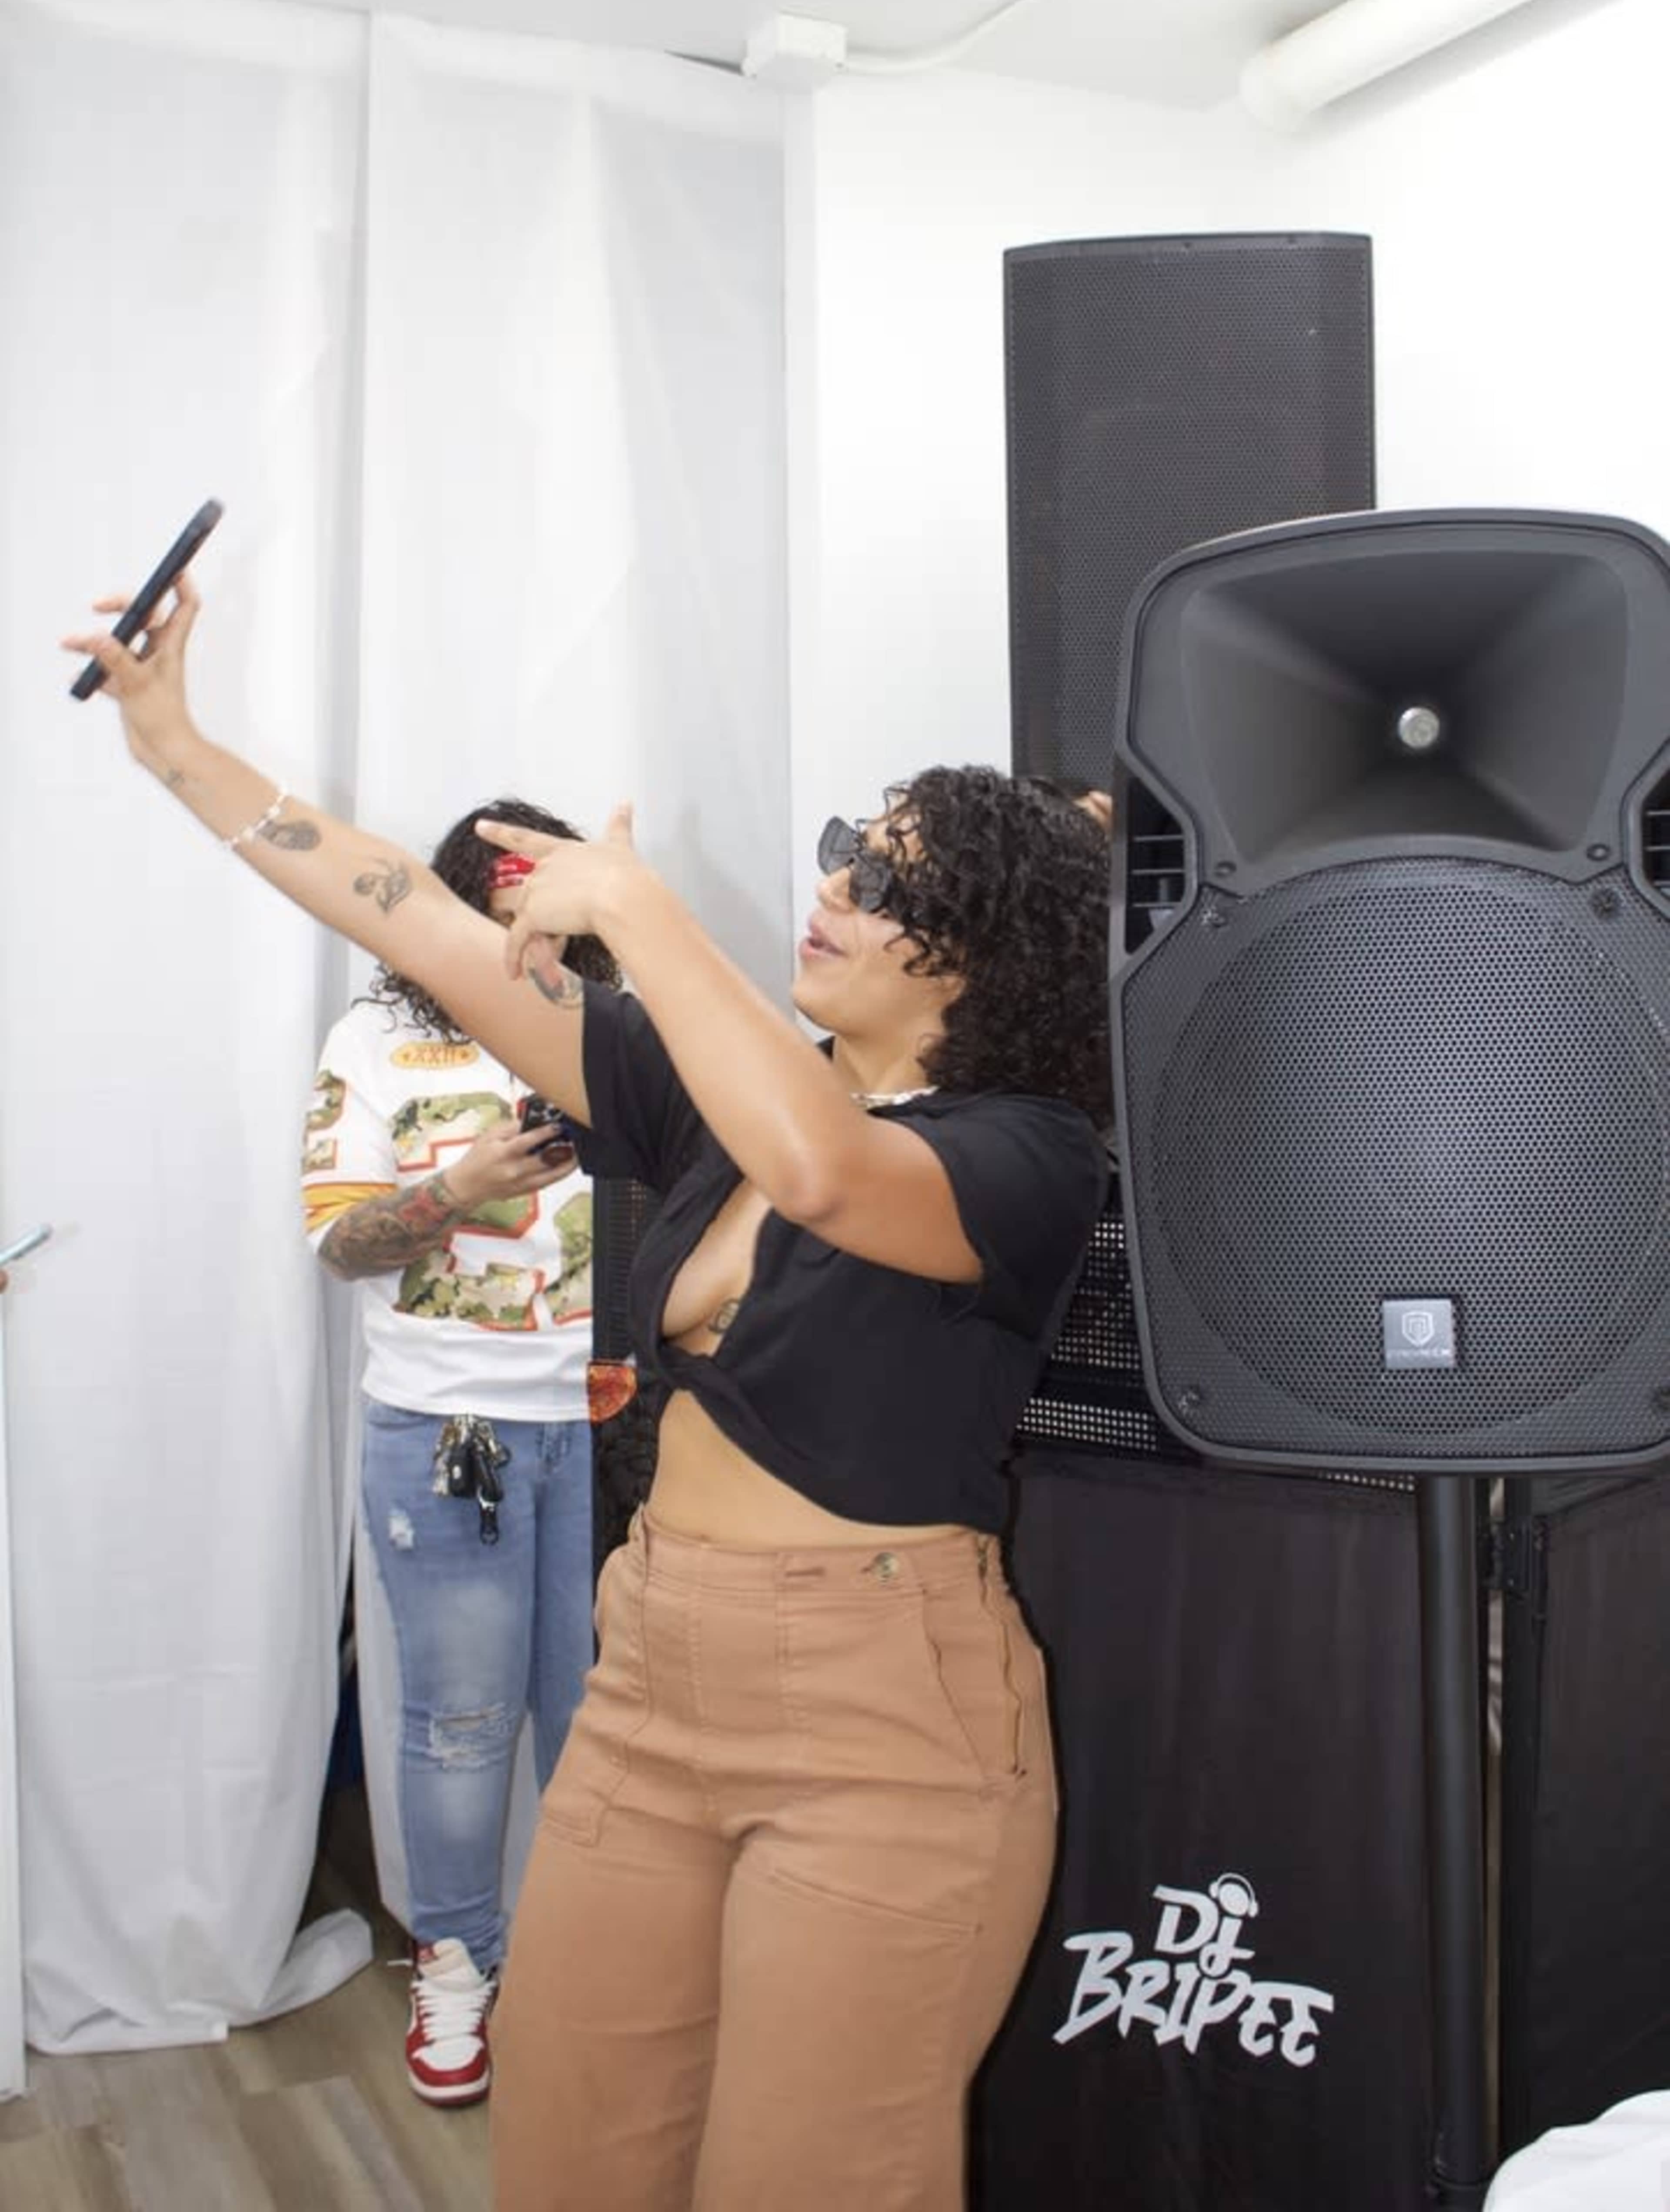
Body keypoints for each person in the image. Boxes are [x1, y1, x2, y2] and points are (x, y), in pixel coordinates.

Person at [66, 573, 1112, 2212]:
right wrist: (179, 750)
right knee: (571, 2160)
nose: (834, 884)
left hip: (884, 1722)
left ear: (982, 965)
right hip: (657, 1682)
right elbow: (414, 913)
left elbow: (830, 1174)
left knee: (805, 2181)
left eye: (889, 878)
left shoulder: (1027, 1158)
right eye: (847, 844)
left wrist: (642, 913)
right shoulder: (719, 1100)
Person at [303, 798, 618, 2107]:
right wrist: (457, 1189)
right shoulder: (377, 1039)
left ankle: (612, 1978)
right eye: (502, 901)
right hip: (456, 1428)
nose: (524, 930)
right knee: (461, 1725)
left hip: (619, 1426)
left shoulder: (622, 1026)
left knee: (614, 1730)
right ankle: (456, 1969)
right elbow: (336, 1242)